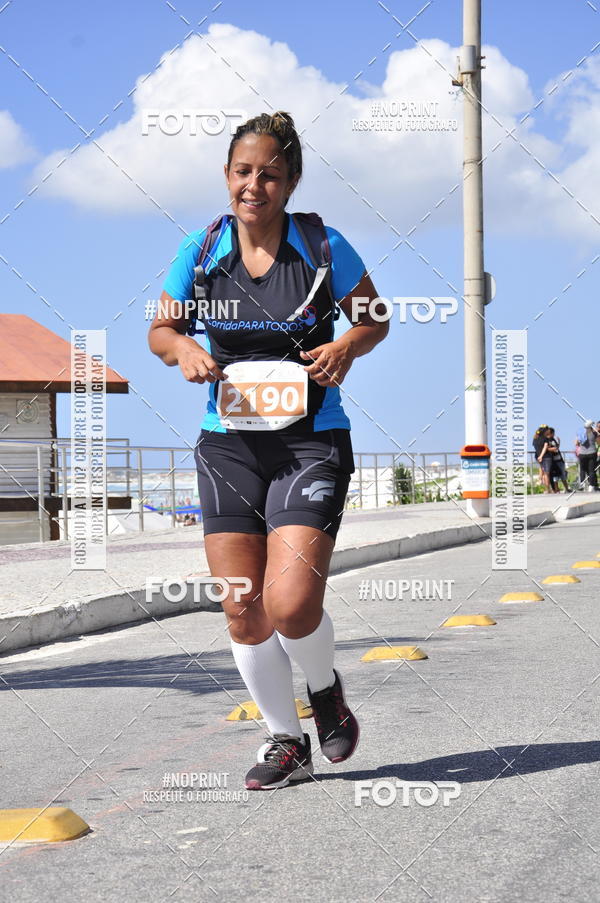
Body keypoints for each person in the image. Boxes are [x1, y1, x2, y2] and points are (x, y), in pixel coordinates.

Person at [148, 111, 388, 790]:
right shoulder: (200, 250)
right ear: (227, 176)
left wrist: (346, 343)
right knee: (240, 603)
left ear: (289, 183)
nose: (255, 184)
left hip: (311, 442)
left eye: (270, 174)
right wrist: (186, 347)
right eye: (244, 171)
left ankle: (325, 688)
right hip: (228, 447)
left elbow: (375, 318)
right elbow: (160, 331)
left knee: (288, 604)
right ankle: (285, 739)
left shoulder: (321, 243)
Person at [575, 419, 599, 491]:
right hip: (592, 453)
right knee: (591, 470)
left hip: (582, 454)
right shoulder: (594, 433)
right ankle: (591, 486)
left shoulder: (580, 433)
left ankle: (582, 483)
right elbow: (598, 443)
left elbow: (576, 443)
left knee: (582, 469)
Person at [543, 427, 569, 493]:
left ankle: (567, 488)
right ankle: (556, 489)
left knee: (563, 474)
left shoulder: (553, 439)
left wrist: (559, 442)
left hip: (559, 459)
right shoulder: (547, 440)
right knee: (555, 476)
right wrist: (553, 449)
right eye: (553, 433)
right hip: (554, 461)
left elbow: (557, 448)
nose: (554, 434)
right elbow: (547, 448)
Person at [532, 425, 548, 491]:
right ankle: (546, 487)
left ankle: (540, 481)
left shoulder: (535, 438)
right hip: (543, 456)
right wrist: (541, 455)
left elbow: (534, 446)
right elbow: (545, 447)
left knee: (541, 469)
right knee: (545, 472)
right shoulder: (544, 438)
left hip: (537, 456)